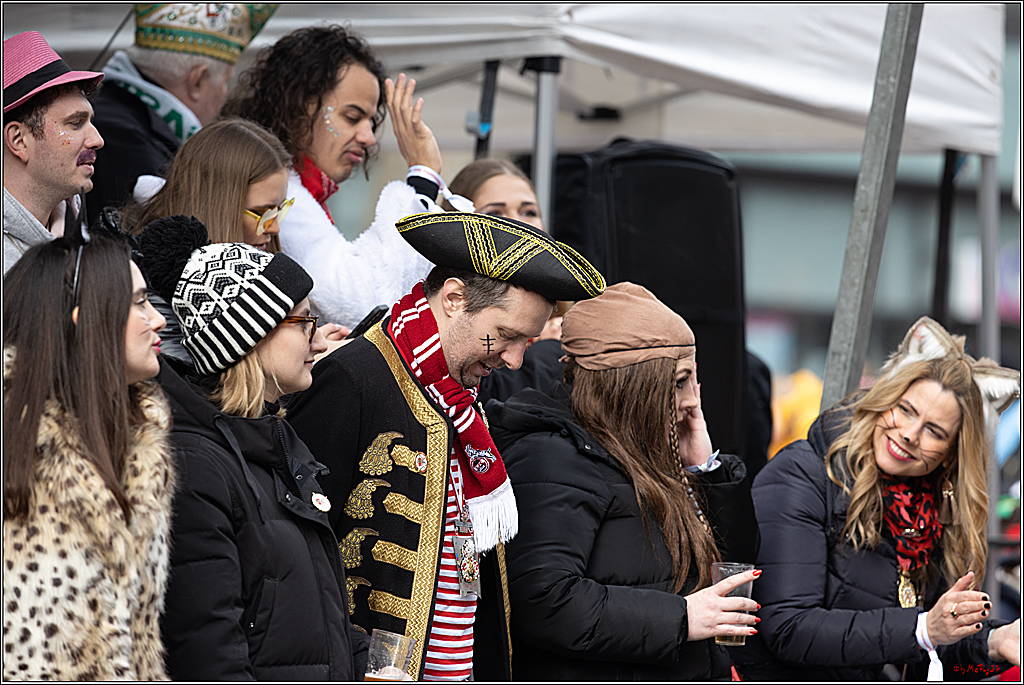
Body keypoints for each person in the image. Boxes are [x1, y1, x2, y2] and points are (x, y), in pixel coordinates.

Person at [285, 212, 606, 680]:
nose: (516, 360)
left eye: (528, 341)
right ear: (454, 299)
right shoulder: (354, 377)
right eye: (509, 336)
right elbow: (304, 557)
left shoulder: (462, 392)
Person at [483, 282, 760, 680]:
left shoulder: (643, 450)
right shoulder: (551, 456)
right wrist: (681, 617)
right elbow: (542, 602)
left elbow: (729, 571)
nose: (692, 401)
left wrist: (706, 470)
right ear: (634, 385)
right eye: (679, 382)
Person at [732, 316, 1022, 680]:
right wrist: (921, 629)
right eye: (905, 410)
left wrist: (995, 641)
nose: (910, 434)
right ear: (883, 400)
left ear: (951, 452)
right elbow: (789, 628)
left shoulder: (932, 513)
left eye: (933, 430)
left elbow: (925, 657)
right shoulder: (802, 474)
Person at [139, 214, 365, 679]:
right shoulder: (196, 466)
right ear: (251, 339)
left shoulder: (276, 444)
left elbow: (318, 615)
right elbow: (207, 650)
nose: (318, 337)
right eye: (304, 321)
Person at [2, 235, 174, 680]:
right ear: (85, 321)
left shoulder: (140, 447)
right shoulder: (15, 443)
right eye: (139, 303)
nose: (157, 320)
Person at [223, 24, 448, 329]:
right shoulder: (275, 192)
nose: (369, 137)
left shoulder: (297, 190)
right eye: (352, 117)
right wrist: (422, 175)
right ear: (300, 106)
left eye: (371, 121)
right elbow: (366, 301)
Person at [119, 118, 345, 375]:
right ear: (217, 205)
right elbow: (204, 394)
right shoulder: (144, 286)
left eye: (280, 211)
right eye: (262, 213)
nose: (274, 229)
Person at [86, 3, 276, 226]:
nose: (225, 95)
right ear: (197, 81)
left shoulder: (107, 112)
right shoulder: (130, 144)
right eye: (226, 81)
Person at [3, 31, 104, 275]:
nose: (97, 140)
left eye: (90, 121)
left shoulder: (78, 231)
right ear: (18, 140)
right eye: (75, 123)